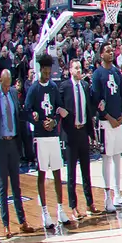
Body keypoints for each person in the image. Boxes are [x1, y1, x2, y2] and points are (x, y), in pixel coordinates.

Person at [26, 54, 73, 229]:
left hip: (53, 135)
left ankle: (60, 209)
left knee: (57, 172)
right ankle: (45, 212)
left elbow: (59, 107)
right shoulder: (33, 89)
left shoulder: (54, 87)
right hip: (40, 136)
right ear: (40, 71)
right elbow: (27, 111)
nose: (47, 75)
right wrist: (37, 121)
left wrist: (54, 120)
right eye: (44, 72)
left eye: (48, 72)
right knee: (41, 173)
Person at [0, 68, 31, 241]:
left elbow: (19, 114)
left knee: (17, 185)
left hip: (13, 142)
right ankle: (5, 224)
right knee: (2, 188)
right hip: (0, 145)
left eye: (9, 86)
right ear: (0, 82)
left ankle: (22, 221)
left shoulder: (13, 93)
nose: (7, 89)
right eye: (5, 86)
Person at [57, 57, 97, 216]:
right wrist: (60, 110)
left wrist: (90, 133)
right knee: (71, 172)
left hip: (83, 131)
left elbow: (88, 109)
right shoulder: (64, 86)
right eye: (76, 68)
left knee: (86, 170)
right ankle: (73, 206)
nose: (79, 70)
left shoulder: (85, 86)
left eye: (80, 68)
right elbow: (57, 103)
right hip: (70, 133)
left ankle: (90, 202)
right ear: (70, 70)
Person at [91, 45, 122, 209]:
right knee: (106, 158)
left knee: (117, 158)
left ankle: (118, 195)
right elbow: (96, 100)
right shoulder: (97, 74)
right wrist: (108, 117)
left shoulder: (116, 72)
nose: (111, 52)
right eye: (107, 50)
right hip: (106, 122)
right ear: (101, 55)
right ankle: (107, 198)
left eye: (112, 50)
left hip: (118, 121)